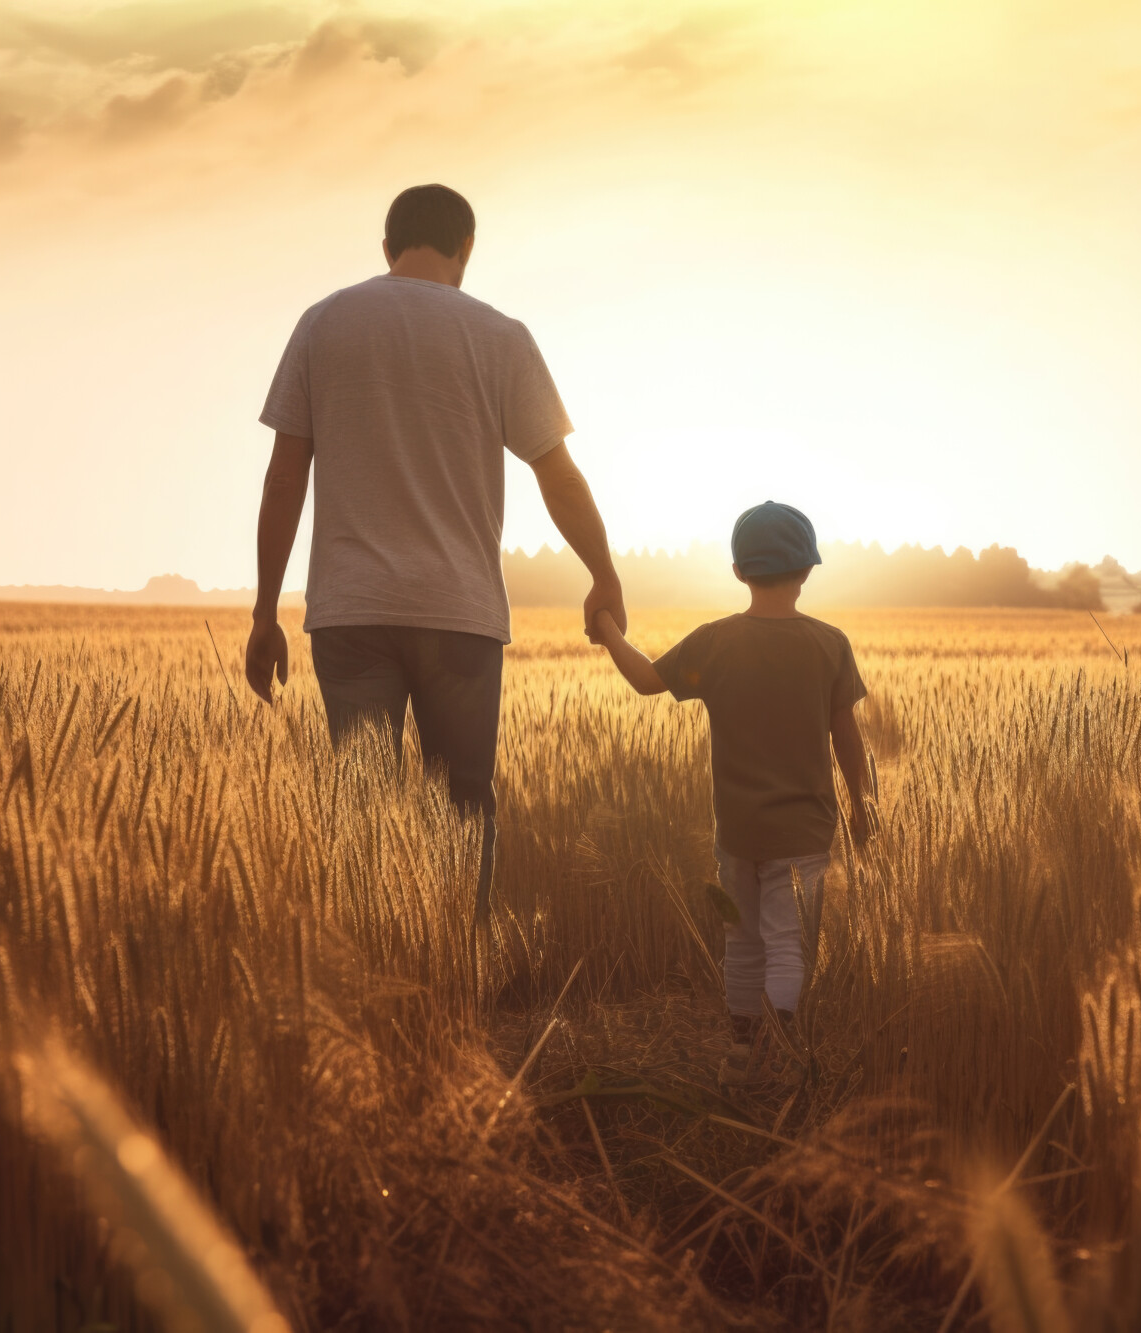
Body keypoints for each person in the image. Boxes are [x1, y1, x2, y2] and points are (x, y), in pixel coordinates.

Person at [243, 184, 624, 924]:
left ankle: (379, 975)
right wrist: (603, 572)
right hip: (461, 612)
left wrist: (264, 610)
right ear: (466, 250)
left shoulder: (323, 323)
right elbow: (559, 474)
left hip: (351, 610)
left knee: (362, 810)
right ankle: (461, 972)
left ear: (386, 248)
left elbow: (285, 475)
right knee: (464, 804)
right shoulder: (499, 334)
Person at [589, 501, 876, 1086]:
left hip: (738, 832)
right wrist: (863, 807)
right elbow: (848, 737)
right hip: (805, 833)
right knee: (788, 945)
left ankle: (743, 1053)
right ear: (808, 570)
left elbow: (646, 681)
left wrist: (610, 629)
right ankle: (780, 1053)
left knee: (742, 942)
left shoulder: (716, 643)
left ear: (740, 571)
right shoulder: (829, 645)